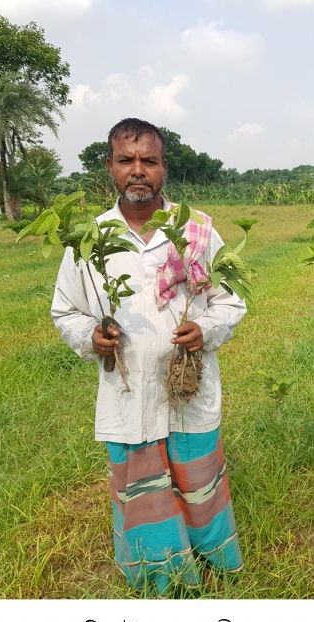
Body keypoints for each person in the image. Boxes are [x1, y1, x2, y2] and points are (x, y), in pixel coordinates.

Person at [51, 118, 246, 592]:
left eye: (149, 161)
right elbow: (66, 310)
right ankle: (161, 575)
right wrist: (90, 337)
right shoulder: (89, 239)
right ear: (110, 167)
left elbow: (231, 300)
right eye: (126, 160)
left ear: (164, 167)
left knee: (198, 479)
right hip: (128, 390)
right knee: (141, 487)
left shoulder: (195, 230)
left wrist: (207, 327)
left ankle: (215, 565)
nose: (138, 171)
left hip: (187, 388)